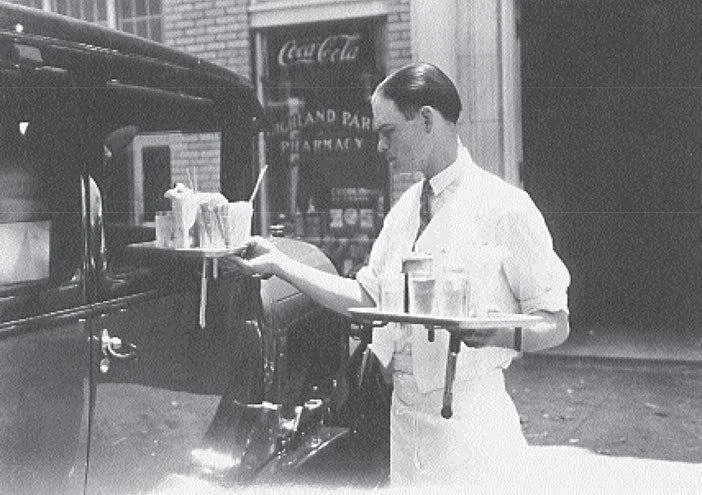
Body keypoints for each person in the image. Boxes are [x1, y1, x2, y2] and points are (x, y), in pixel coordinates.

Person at [230, 62, 570, 486]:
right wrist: (281, 264)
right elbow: (367, 297)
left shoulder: (505, 207)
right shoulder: (404, 212)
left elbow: (555, 323)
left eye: (387, 131)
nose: (379, 145)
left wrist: (497, 334)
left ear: (426, 119)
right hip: (404, 426)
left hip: (471, 429)